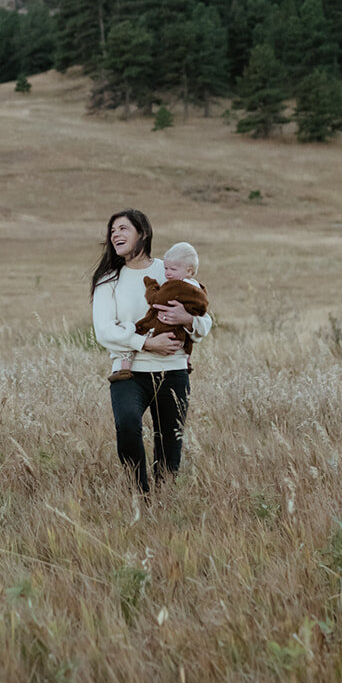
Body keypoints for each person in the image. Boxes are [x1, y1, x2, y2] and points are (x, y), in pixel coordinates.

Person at [91, 210, 212, 495]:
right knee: (128, 426)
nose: (115, 235)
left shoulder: (170, 269)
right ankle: (140, 493)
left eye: (123, 228)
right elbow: (104, 331)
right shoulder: (108, 280)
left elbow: (205, 321)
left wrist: (186, 318)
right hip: (129, 372)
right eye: (112, 231)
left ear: (142, 233)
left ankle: (163, 499)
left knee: (170, 443)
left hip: (173, 369)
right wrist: (145, 343)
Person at [109, 241, 208, 380]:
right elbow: (203, 311)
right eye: (166, 268)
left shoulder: (176, 286)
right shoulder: (198, 287)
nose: (167, 273)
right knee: (188, 343)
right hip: (181, 336)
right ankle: (187, 361)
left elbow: (156, 300)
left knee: (135, 330)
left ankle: (125, 366)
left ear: (189, 270)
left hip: (165, 326)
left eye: (172, 269)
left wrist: (151, 286)